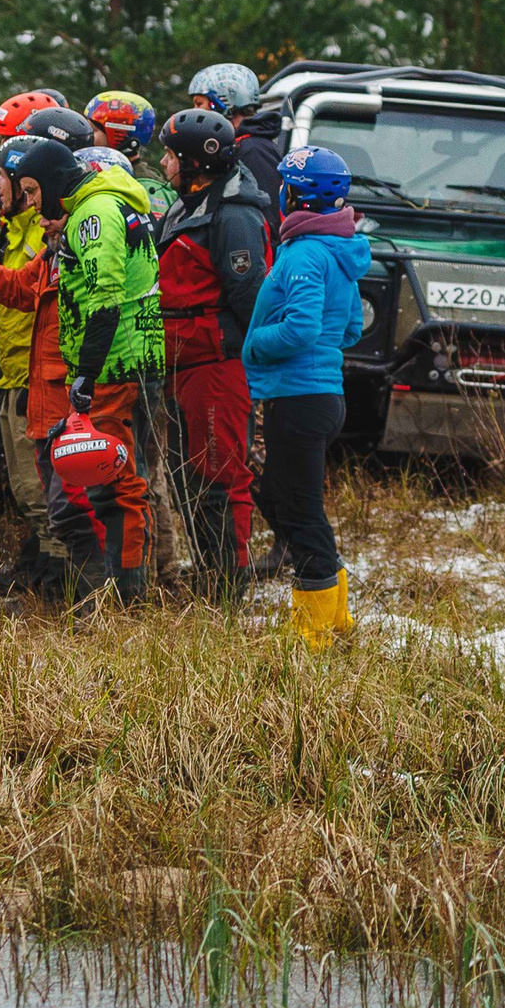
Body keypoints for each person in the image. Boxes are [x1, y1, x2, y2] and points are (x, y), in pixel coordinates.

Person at [245, 145, 369, 649]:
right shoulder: (339, 250)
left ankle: (317, 631)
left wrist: (254, 343)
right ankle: (335, 610)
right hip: (320, 395)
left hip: (298, 398)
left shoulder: (304, 253)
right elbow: (352, 328)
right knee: (277, 496)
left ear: (293, 194)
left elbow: (299, 329)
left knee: (300, 511)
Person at [37, 138, 164, 603]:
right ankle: (123, 588)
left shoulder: (97, 213)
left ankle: (131, 598)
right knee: (114, 483)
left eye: (33, 191)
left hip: (117, 363)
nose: (32, 203)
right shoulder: (102, 204)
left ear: (51, 184)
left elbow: (105, 299)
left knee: (119, 484)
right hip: (118, 359)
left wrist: (86, 373)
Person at [153, 108, 272, 594]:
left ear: (192, 162)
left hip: (217, 365)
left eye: (169, 154)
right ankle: (210, 570)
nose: (162, 163)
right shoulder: (187, 206)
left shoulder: (235, 215)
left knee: (221, 474)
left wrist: (237, 357)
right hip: (183, 361)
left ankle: (228, 585)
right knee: (188, 478)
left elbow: (249, 297)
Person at [0, 133, 66, 588]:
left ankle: (59, 570)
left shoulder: (48, 237)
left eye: (4, 178)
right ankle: (42, 559)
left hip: (37, 378)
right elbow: (13, 288)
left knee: (40, 488)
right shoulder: (15, 233)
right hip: (14, 374)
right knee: (27, 487)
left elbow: (31, 297)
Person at [188, 63, 282, 203]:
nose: (194, 111)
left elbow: (266, 212)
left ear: (222, 104)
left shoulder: (254, 150)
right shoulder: (238, 145)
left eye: (199, 103)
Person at [87, 91, 173, 216]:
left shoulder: (148, 187)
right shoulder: (97, 174)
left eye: (93, 130)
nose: (87, 136)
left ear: (118, 135)